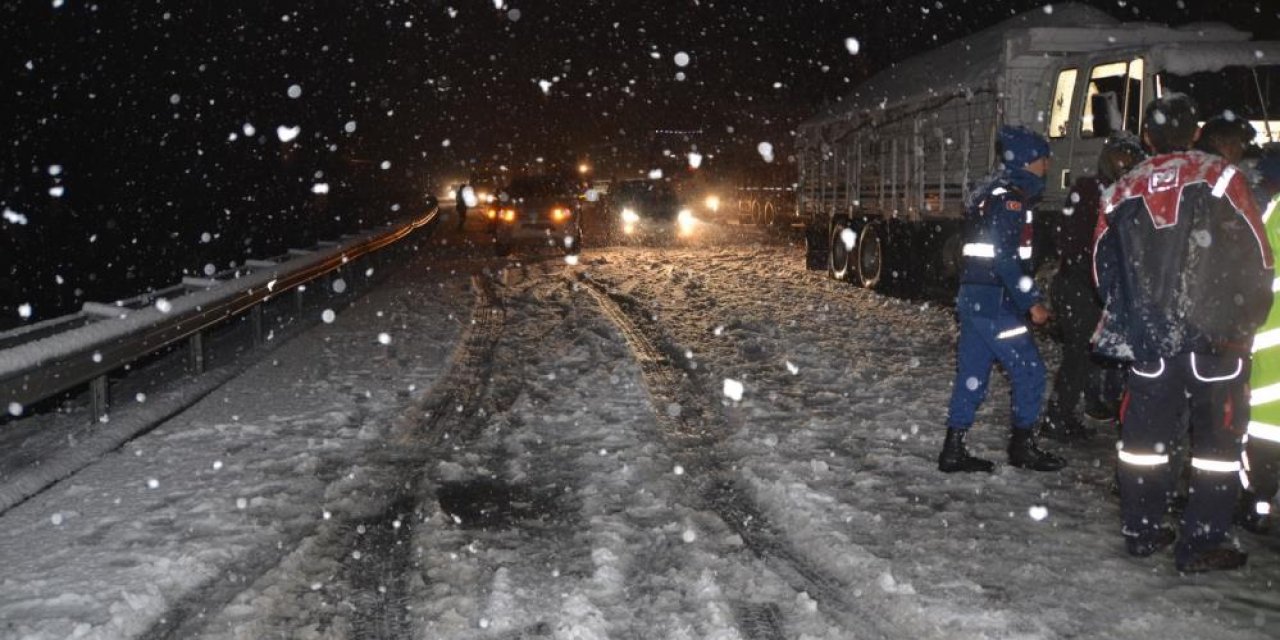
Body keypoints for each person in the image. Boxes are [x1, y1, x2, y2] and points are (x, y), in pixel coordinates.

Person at [1093, 94, 1273, 572]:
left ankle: (1142, 530)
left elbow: (1101, 267)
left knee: (1143, 442)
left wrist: (1132, 318)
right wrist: (1245, 319)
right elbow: (1258, 252)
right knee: (1216, 444)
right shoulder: (1221, 177)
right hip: (1216, 337)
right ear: (1195, 131)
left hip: (1150, 339)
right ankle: (1201, 540)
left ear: (1147, 137)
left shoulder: (1121, 189)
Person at [938, 125, 1065, 473]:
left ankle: (953, 448)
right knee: (1031, 371)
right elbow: (1006, 257)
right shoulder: (1011, 199)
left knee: (973, 374)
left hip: (975, 298)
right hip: (996, 302)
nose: (1047, 165)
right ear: (1027, 161)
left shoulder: (992, 193)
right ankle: (1022, 446)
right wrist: (1032, 302)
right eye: (1042, 158)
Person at [1042, 136, 1145, 441]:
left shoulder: (1111, 192)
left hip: (1088, 286)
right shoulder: (1093, 191)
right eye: (1119, 158)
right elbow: (1080, 243)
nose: (1124, 165)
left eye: (1129, 160)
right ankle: (1058, 418)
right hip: (1081, 287)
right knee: (1078, 357)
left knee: (1083, 357)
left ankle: (1065, 414)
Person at [1241, 153, 1280, 533]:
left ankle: (1258, 504)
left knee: (1264, 434)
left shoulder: (1271, 217)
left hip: (1269, 350)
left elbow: (1254, 277)